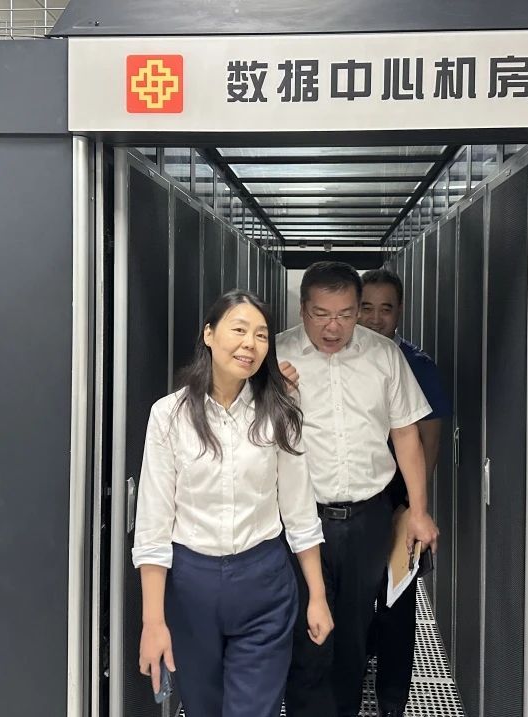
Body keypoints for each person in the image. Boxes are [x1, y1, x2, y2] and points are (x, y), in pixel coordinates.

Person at [133, 289, 334, 717]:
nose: (250, 344)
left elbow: (300, 511)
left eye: (261, 335)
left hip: (263, 582)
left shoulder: (279, 410)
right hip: (191, 586)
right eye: (239, 330)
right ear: (209, 334)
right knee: (202, 707)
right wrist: (153, 621)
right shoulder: (169, 416)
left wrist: (317, 595)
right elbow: (153, 525)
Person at [277, 261, 440, 717]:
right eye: (321, 314)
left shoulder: (383, 356)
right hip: (300, 518)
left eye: (346, 314)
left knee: (353, 633)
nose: (334, 327)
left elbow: (406, 434)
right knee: (305, 632)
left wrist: (419, 511)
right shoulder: (276, 356)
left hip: (368, 518)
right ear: (303, 308)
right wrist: (274, 395)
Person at [359, 268, 452, 717]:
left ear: (400, 312)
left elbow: (428, 440)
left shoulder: (418, 366)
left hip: (398, 494)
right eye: (366, 308)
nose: (375, 319)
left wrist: (414, 505)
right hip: (351, 499)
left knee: (397, 598)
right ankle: (356, 670)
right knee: (354, 596)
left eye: (386, 309)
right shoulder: (340, 357)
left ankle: (392, 701)